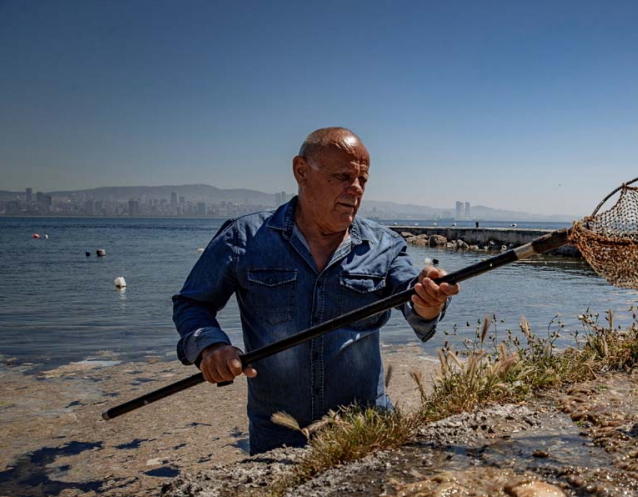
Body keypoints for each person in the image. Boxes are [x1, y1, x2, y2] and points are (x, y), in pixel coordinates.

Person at [173, 128, 458, 454]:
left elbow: (414, 300)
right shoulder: (244, 238)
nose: (356, 189)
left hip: (366, 430)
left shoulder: (385, 245)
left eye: (362, 180)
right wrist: (210, 348)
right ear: (301, 171)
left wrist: (429, 299)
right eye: (343, 176)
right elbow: (191, 303)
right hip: (278, 436)